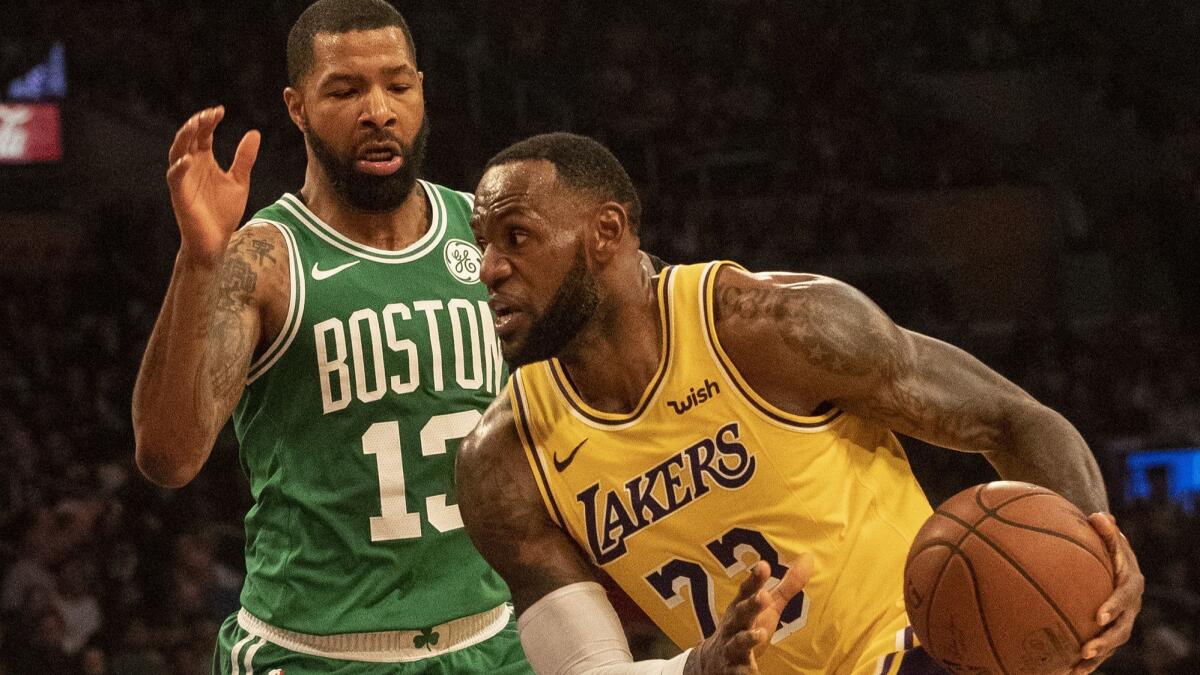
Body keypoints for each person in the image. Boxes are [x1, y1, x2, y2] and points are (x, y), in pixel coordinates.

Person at [456, 133, 1145, 674]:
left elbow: (1012, 417)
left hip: (921, 650)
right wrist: (693, 668)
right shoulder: (504, 460)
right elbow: (589, 669)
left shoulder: (768, 327)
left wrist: (1097, 553)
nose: (489, 267)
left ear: (606, 232)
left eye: (516, 237)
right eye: (482, 243)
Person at [132, 0, 529, 672]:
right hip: (312, 651)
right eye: (345, 90)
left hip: (490, 639)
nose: (378, 109)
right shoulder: (265, 261)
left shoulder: (484, 231)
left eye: (397, 85)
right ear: (296, 106)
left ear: (422, 91)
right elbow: (169, 457)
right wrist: (197, 262)